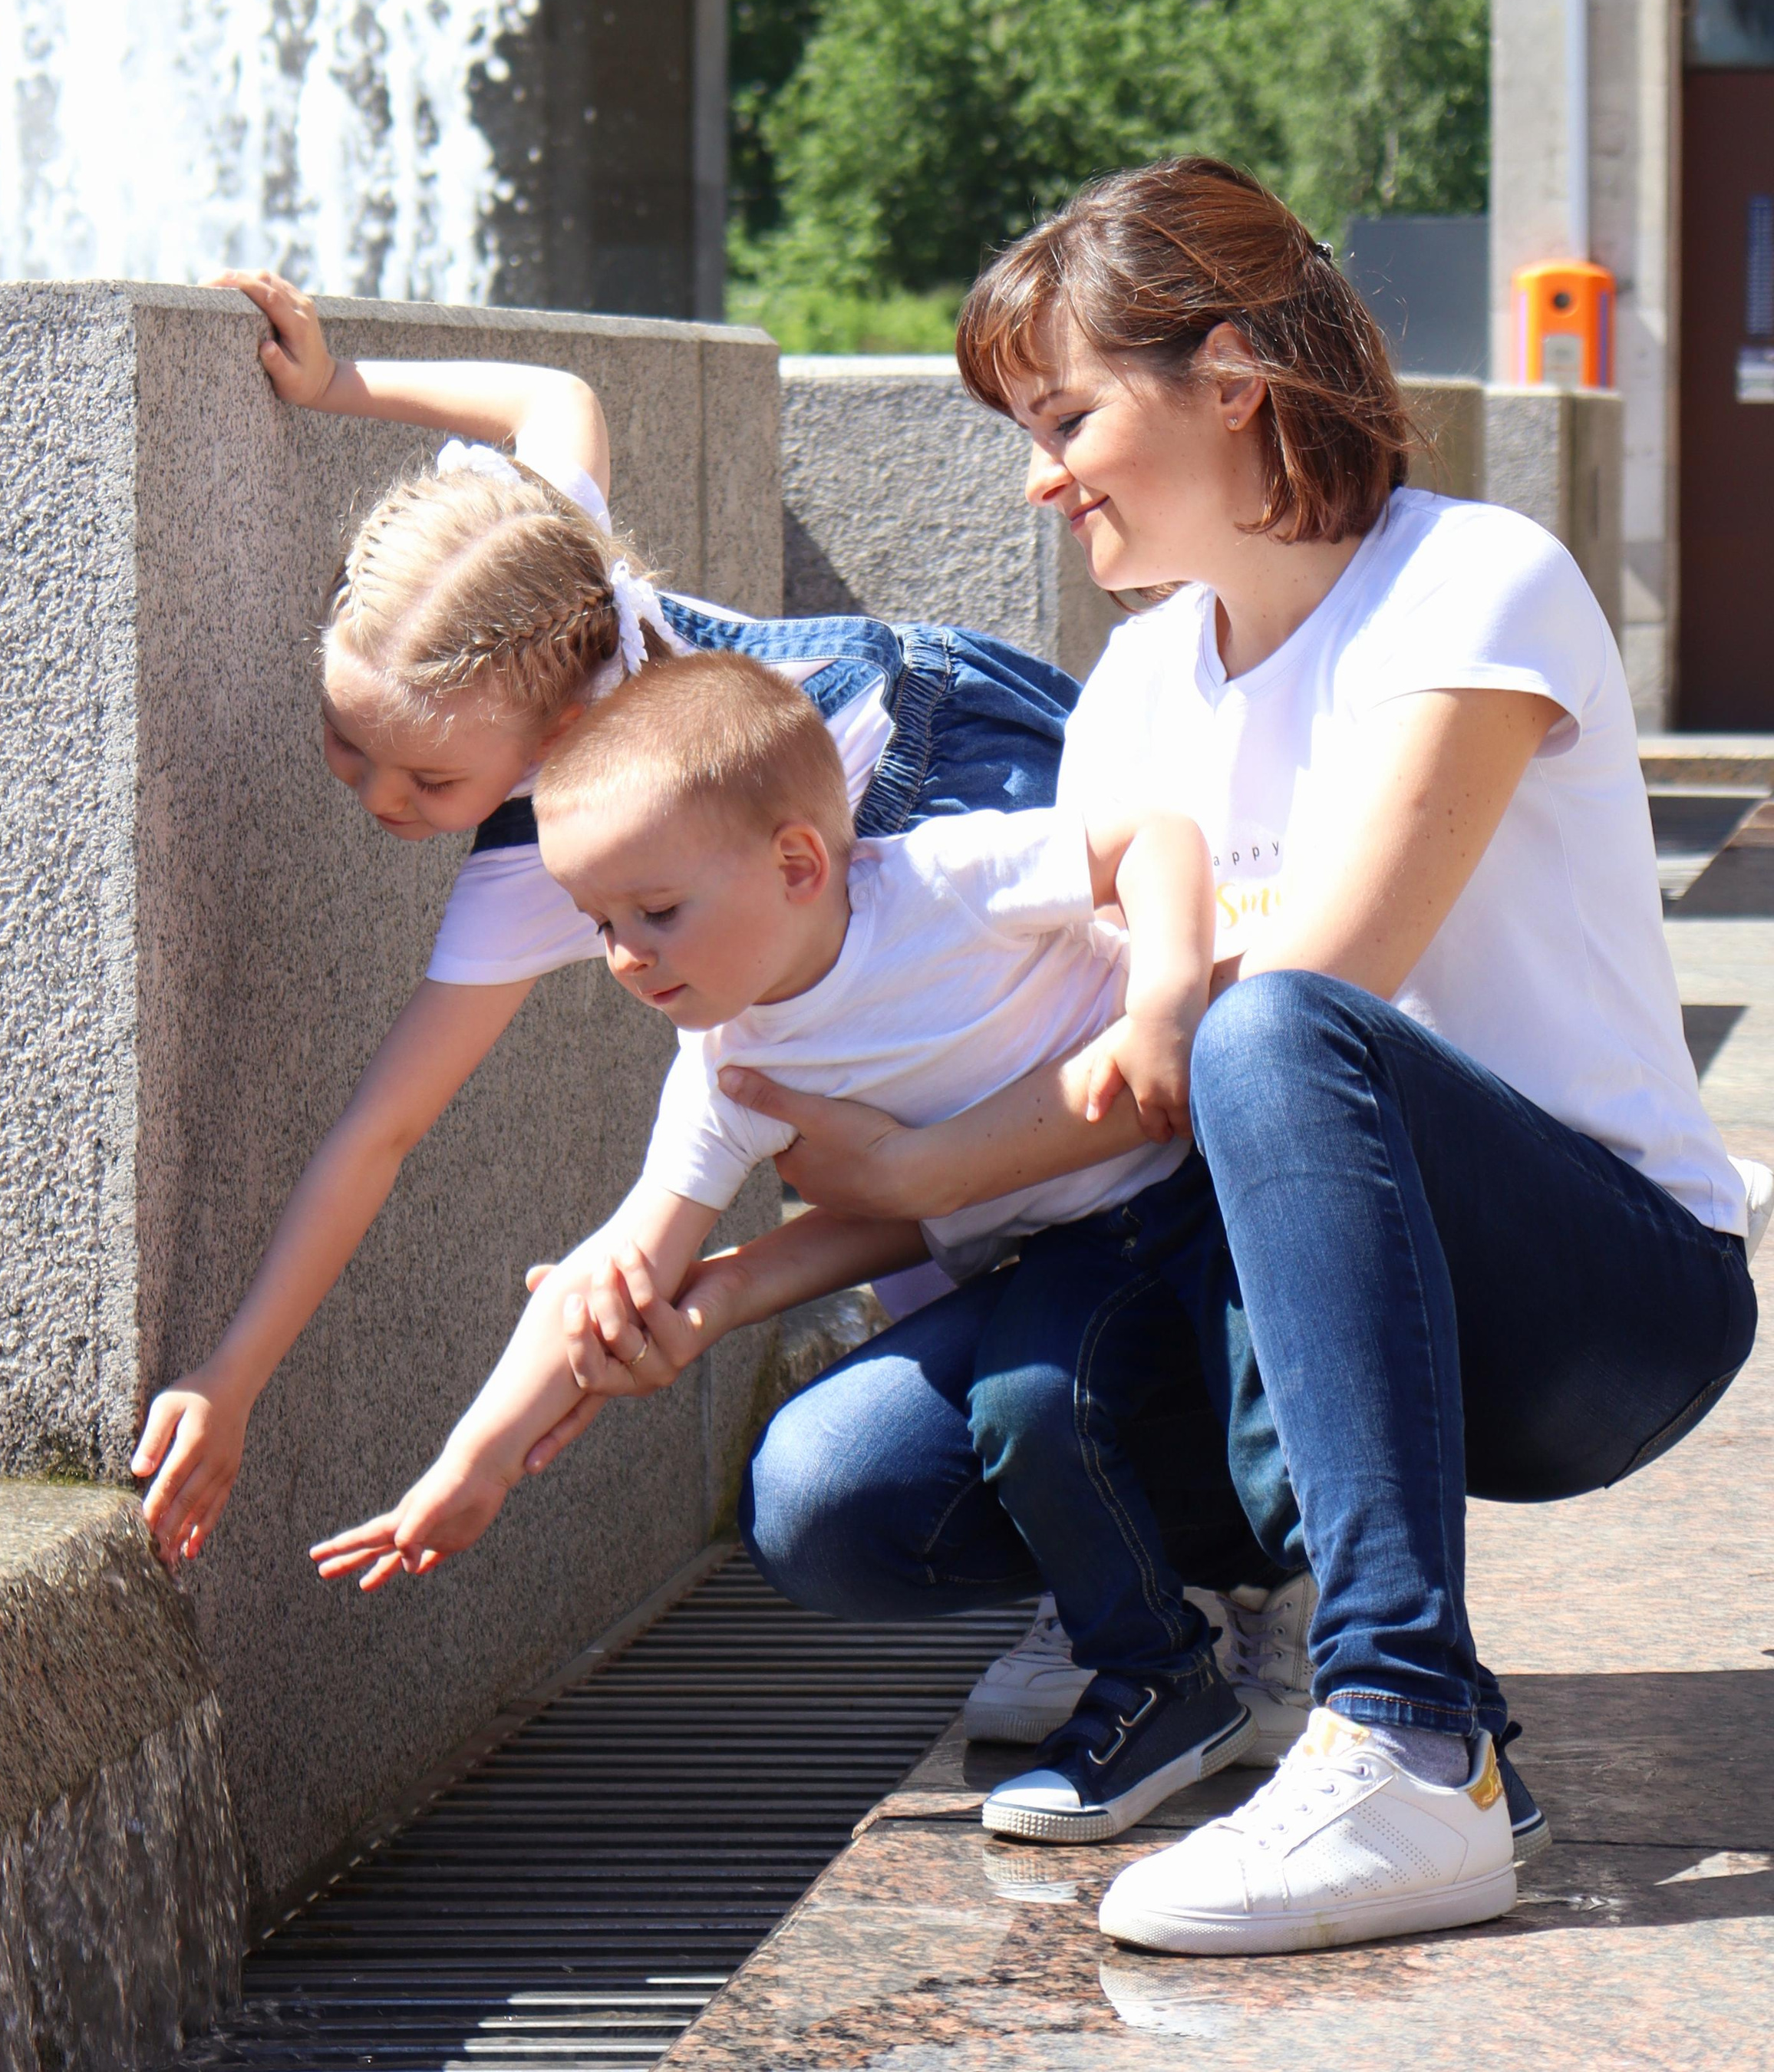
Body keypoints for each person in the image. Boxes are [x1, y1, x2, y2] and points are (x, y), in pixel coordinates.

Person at [584, 157, 1762, 1955]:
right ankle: (1257, 1640)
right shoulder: (1137, 692)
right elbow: (1093, 1093)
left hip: (1591, 1299)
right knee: (833, 1500)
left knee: (1281, 1023)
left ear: (1231, 382)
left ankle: (1405, 1738)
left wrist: (907, 1172)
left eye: (1062, 417)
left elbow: (1293, 1002)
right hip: (1260, 1270)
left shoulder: (1467, 586)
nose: (1036, 474)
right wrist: (708, 1279)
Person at [129, 272, 1080, 1569]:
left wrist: (345, 377)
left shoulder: (536, 790)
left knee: (1084, 1138)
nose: (380, 798)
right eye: (347, 744)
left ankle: (1206, 1531)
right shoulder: (541, 587)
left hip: (957, 784)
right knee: (932, 1214)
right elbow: (553, 399)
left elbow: (381, 1129)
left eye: (431, 781)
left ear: (564, 725)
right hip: (814, 903)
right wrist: (229, 1377)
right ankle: (1078, 1560)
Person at [311, 648, 1284, 1842]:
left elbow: (1155, 836)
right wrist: (474, 1464)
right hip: (1074, 1249)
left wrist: (1164, 1002)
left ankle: (1224, 1635)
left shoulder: (935, 884)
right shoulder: (731, 1072)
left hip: (1195, 1190)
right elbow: (618, 1273)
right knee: (1025, 1394)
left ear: (797, 862)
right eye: (601, 922)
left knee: (1110, 1397)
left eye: (658, 911)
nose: (626, 956)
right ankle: (1156, 1655)